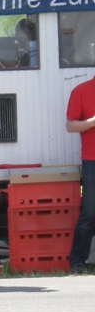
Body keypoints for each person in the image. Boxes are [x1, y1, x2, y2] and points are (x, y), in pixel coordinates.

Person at [66, 75, 95, 274]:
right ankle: (77, 261)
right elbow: (70, 125)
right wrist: (93, 121)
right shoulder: (81, 90)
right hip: (91, 160)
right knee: (89, 212)